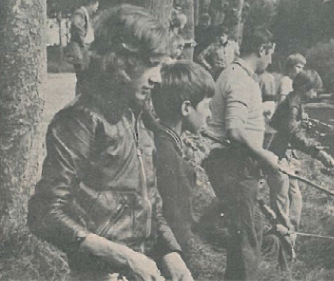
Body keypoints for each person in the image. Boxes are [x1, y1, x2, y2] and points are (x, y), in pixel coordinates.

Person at [28, 5, 193, 281]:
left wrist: (170, 253)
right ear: (122, 62)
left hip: (137, 270)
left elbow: (147, 203)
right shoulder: (81, 119)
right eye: (151, 64)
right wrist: (122, 256)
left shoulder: (135, 117)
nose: (157, 78)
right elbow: (44, 213)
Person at [202, 27, 279, 280]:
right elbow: (234, 131)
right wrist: (265, 156)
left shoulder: (234, 74)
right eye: (271, 54)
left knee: (248, 230)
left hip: (235, 164)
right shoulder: (240, 80)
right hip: (233, 165)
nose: (270, 61)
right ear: (263, 49)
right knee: (246, 236)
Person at [151, 62, 214, 262]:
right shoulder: (171, 159)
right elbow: (178, 230)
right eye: (206, 105)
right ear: (186, 108)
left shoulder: (157, 140)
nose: (209, 113)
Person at [267, 70, 334, 246]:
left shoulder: (295, 103)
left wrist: (302, 123)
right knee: (282, 200)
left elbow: (293, 130)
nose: (315, 95)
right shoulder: (292, 106)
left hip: (285, 155)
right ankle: (283, 241)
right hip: (277, 156)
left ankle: (291, 235)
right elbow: (294, 137)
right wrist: (320, 154)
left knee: (295, 197)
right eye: (314, 91)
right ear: (305, 88)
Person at [66, 0, 99, 96]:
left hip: (82, 51)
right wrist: (83, 41)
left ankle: (82, 99)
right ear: (92, 4)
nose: (96, 9)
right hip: (79, 51)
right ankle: (80, 100)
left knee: (85, 78)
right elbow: (76, 24)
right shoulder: (80, 12)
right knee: (83, 78)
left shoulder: (85, 15)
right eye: (96, 6)